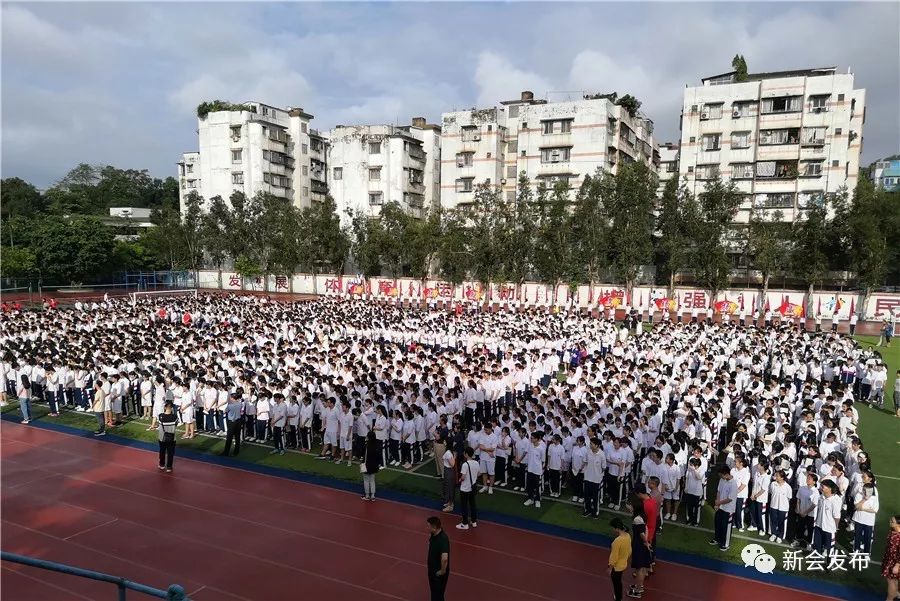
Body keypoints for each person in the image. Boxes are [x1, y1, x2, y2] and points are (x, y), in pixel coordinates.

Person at [628, 502, 651, 599]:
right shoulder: (641, 517)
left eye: (631, 505)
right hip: (641, 544)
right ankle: (639, 586)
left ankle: (637, 591)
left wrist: (646, 543)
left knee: (639, 568)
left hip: (639, 545)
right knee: (641, 568)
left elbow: (641, 534)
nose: (629, 507)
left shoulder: (637, 519)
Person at [710, 465, 736, 551]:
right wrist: (717, 503)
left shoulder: (733, 484)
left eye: (721, 475)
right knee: (717, 523)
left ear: (726, 474)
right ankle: (717, 539)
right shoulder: (722, 480)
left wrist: (719, 502)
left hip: (729, 509)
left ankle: (726, 544)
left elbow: (730, 499)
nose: (721, 477)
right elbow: (718, 491)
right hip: (720, 507)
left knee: (726, 527)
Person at [426, 516, 450, 601]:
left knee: (438, 595)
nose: (427, 528)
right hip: (432, 570)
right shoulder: (434, 534)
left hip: (437, 573)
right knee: (435, 594)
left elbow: (444, 558)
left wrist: (442, 571)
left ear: (435, 527)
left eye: (428, 526)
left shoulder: (443, 539)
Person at [609, 517, 632, 601]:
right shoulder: (628, 536)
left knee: (616, 583)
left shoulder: (617, 541)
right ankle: (619, 597)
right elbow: (630, 551)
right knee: (619, 582)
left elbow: (614, 557)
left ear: (617, 528)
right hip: (623, 563)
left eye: (613, 528)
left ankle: (618, 598)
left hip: (616, 567)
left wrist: (610, 568)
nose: (612, 529)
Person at [457, 446, 479, 530]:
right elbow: (478, 474)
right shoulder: (476, 463)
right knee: (473, 505)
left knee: (464, 506)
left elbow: (463, 477)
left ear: (466, 454)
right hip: (472, 488)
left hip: (465, 489)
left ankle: (465, 523)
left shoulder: (465, 465)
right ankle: (474, 522)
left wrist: (459, 480)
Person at [881, 514, 900, 601]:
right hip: (890, 559)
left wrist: (897, 565)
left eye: (892, 521)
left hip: (894, 562)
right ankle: (896, 594)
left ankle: (890, 599)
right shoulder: (893, 531)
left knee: (891, 581)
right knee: (894, 580)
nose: (890, 522)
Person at [157, 401, 178, 473]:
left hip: (162, 437)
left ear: (165, 407)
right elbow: (176, 425)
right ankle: (169, 467)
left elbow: (159, 425)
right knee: (170, 452)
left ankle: (162, 465)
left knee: (162, 451)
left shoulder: (160, 416)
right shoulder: (175, 417)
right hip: (172, 438)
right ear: (171, 408)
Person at [220, 392, 243, 457]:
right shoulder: (239, 404)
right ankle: (236, 451)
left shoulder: (230, 405)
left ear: (233, 398)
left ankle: (226, 452)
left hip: (232, 422)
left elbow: (225, 411)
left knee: (229, 438)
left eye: (230, 397)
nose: (229, 398)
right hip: (238, 421)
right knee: (237, 437)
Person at [361, 431, 380, 501]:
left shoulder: (366, 445)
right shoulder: (377, 445)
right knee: (372, 480)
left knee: (366, 480)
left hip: (367, 465)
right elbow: (378, 456)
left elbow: (361, 453)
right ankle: (373, 495)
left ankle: (367, 495)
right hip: (374, 465)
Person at [441, 440, 457, 513]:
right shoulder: (449, 452)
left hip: (448, 471)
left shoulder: (448, 453)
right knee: (448, 487)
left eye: (445, 441)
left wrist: (454, 457)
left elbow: (452, 464)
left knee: (449, 488)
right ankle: (449, 503)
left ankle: (450, 505)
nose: (444, 442)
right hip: (448, 471)